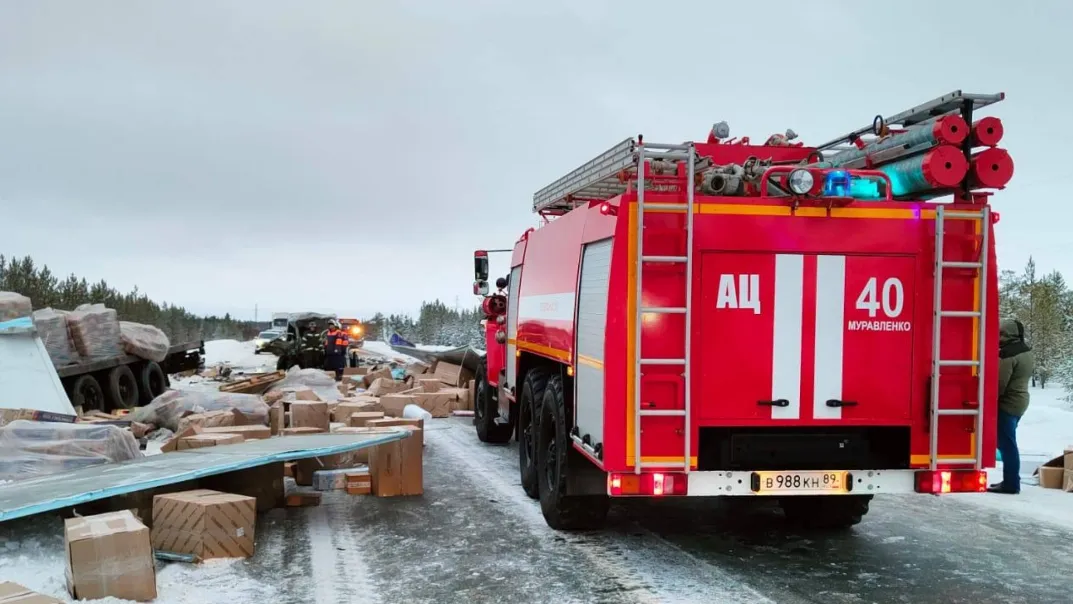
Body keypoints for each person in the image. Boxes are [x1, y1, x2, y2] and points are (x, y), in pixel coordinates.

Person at [989, 317, 1035, 494]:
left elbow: (999, 384)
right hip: (1020, 401)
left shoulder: (1008, 355)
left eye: (1000, 333)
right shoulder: (1025, 351)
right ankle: (1011, 480)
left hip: (1008, 404)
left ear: (1006, 334)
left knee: (1007, 444)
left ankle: (1011, 483)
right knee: (1008, 442)